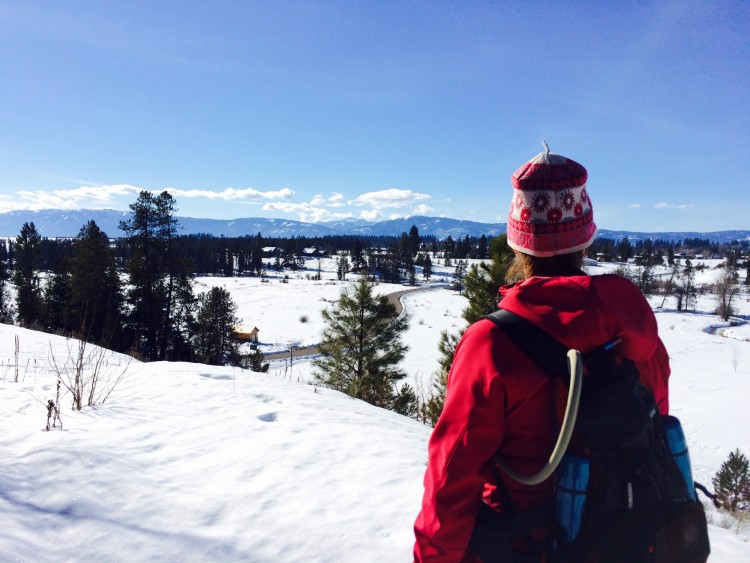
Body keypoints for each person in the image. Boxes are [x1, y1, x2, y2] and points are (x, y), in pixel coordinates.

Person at [413, 145, 671, 562]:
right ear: (586, 236)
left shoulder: (492, 344)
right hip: (631, 544)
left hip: (527, 548)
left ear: (518, 243)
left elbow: (452, 478)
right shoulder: (639, 336)